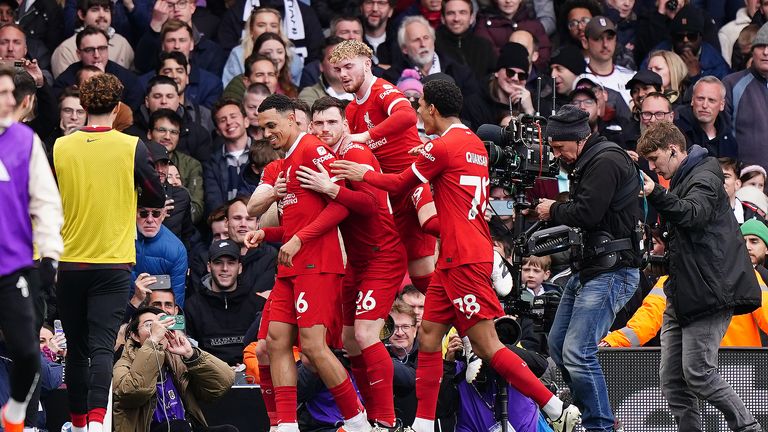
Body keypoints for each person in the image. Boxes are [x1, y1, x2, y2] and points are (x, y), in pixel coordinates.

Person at [331, 79, 579, 432]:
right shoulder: (473, 141)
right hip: (453, 256)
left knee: (489, 346)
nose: (418, 114)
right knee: (430, 337)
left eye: (420, 108)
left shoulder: (443, 147)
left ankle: (554, 407)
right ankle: (421, 425)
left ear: (432, 109)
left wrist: (365, 173)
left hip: (464, 257)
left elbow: (402, 183)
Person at [244, 93, 371, 432]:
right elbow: (292, 222)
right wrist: (270, 236)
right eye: (262, 128)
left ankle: (358, 422)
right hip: (290, 267)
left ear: (292, 120)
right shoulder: (284, 163)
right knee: (273, 343)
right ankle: (284, 424)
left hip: (318, 263)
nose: (268, 133)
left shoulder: (312, 149)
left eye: (272, 125)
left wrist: (301, 239)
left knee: (315, 348)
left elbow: (344, 203)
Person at [53, 73, 164, 432]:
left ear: (83, 107)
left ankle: (77, 423)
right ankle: (97, 424)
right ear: (117, 108)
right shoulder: (131, 146)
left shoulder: (60, 146)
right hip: (113, 262)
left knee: (77, 348)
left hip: (70, 261)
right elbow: (156, 196)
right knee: (103, 347)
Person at [637, 121, 762, 432]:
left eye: (655, 160)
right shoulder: (682, 178)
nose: (653, 168)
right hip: (682, 292)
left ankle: (748, 428)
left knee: (698, 373)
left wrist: (654, 193)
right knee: (673, 381)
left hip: (710, 293)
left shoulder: (705, 175)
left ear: (673, 150)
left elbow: (693, 214)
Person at [297, 96, 408, 429]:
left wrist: (331, 190)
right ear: (310, 127)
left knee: (365, 334)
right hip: (357, 261)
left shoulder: (355, 153)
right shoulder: (327, 158)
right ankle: (368, 414)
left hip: (383, 256)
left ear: (346, 125)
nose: (326, 129)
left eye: (333, 122)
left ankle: (385, 420)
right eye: (319, 123)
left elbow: (370, 205)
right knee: (348, 340)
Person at [532, 104, 641, 432]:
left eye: (559, 147)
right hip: (591, 268)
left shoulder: (605, 160)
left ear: (578, 140)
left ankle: (599, 426)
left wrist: (555, 210)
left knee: (578, 351)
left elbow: (587, 213)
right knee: (558, 343)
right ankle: (590, 413)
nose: (557, 155)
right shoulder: (588, 160)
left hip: (613, 270)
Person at [329, 39, 437, 296]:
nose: (343, 74)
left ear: (367, 64)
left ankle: (481, 252)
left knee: (424, 265)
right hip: (388, 192)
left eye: (348, 67)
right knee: (410, 274)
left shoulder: (383, 90)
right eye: (338, 70)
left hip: (413, 182)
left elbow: (408, 115)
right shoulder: (353, 109)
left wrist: (367, 135)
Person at [0, 65, 63, 432]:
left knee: (26, 351)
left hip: (15, 265)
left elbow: (47, 203)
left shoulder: (25, 142)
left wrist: (51, 255)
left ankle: (19, 415)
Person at [113, 306, 236, 432]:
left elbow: (223, 383)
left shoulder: (178, 360)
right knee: (177, 427)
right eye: (150, 325)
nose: (158, 329)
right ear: (135, 336)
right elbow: (133, 393)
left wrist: (191, 354)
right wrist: (153, 342)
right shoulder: (122, 364)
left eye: (163, 324)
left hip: (186, 427)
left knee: (228, 430)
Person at [184, 239, 266, 366]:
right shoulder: (192, 306)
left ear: (239, 268)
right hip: (208, 374)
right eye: (218, 263)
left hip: (250, 372)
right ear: (209, 267)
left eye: (231, 263)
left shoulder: (258, 304)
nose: (225, 268)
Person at [383, 15, 479, 99]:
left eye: (426, 38)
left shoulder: (460, 72)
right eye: (416, 40)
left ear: (433, 40)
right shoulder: (392, 78)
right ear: (404, 48)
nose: (423, 44)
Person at [54, 26, 142, 110]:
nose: (97, 55)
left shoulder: (128, 79)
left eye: (102, 48)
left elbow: (129, 116)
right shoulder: (67, 79)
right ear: (79, 54)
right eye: (89, 50)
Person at [148, 108, 204, 224]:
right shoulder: (137, 160)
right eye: (162, 130)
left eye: (174, 132)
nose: (167, 136)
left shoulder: (191, 165)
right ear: (149, 133)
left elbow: (196, 209)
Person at [724, 22, 768, 169]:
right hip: (746, 179)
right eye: (761, 46)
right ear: (752, 51)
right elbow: (723, 135)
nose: (766, 52)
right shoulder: (732, 84)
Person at [51, 0, 134, 78]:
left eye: (106, 10)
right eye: (95, 10)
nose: (102, 15)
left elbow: (133, 83)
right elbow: (65, 90)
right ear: (81, 15)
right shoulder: (66, 49)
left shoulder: (123, 43)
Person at [133, 196, 189, 308]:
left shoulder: (176, 249)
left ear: (163, 215)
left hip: (156, 317)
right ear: (133, 213)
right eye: (143, 213)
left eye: (156, 214)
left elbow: (175, 303)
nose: (150, 220)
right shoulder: (119, 239)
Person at [674, 76, 738, 157]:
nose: (704, 105)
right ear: (692, 100)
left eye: (711, 100)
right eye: (700, 99)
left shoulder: (729, 141)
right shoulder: (677, 132)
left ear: (722, 105)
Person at [435, 0, 498, 83]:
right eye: (450, 13)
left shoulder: (484, 46)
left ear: (472, 18)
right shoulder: (434, 45)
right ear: (442, 18)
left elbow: (492, 81)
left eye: (462, 12)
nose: (456, 18)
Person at [583, 16, 636, 105]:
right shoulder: (579, 78)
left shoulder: (632, 77)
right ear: (585, 43)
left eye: (610, 38)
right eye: (598, 38)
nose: (605, 44)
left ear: (615, 41)